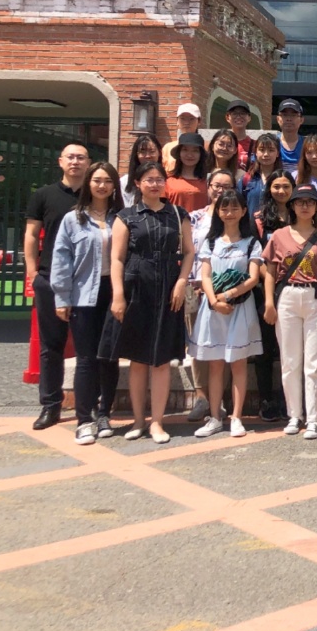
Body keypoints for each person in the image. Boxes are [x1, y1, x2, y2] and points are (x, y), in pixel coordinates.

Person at [100, 161, 194, 444]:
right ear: (138, 184)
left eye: (159, 179)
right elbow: (117, 258)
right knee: (138, 359)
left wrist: (181, 282)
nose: (154, 184)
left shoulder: (177, 214)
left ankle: (158, 422)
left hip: (168, 288)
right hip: (136, 288)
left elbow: (189, 252)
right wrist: (118, 294)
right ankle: (139, 420)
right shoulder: (126, 216)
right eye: (149, 180)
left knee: (162, 360)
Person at [50, 161, 123, 444]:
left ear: (114, 186)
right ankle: (84, 419)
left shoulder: (122, 218)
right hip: (83, 295)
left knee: (109, 357)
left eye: (107, 181)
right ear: (88, 184)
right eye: (97, 180)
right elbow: (61, 259)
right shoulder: (73, 219)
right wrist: (62, 297)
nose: (102, 186)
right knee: (86, 358)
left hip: (114, 293)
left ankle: (104, 413)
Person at [262, 184, 317, 441]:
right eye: (299, 201)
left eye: (310, 202)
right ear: (292, 206)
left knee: (315, 360)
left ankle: (315, 417)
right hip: (287, 297)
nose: (304, 206)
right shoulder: (279, 235)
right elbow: (270, 272)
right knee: (290, 360)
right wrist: (269, 303)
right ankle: (294, 415)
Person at [25, 141, 89, 430]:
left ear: (88, 163)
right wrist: (32, 273)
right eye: (70, 157)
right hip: (50, 279)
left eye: (81, 158)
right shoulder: (44, 195)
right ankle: (50, 406)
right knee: (51, 346)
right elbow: (31, 234)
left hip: (88, 281)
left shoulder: (96, 195)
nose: (75, 162)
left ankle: (89, 405)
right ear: (60, 161)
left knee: (88, 346)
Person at [190, 190, 264, 439]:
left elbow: (253, 278)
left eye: (234, 208)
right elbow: (205, 275)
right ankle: (215, 417)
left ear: (244, 211)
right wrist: (214, 301)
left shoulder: (251, 243)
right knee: (215, 365)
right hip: (213, 310)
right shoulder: (210, 242)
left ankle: (236, 418)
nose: (229, 213)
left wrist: (228, 295)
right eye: (224, 208)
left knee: (239, 363)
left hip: (239, 308)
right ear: (218, 212)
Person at [251, 169, 295, 422]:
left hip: (295, 288)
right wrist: (269, 278)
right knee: (266, 348)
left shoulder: (301, 215)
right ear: (269, 189)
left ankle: (289, 398)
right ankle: (266, 399)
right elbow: (255, 255)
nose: (281, 191)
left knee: (290, 348)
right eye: (276, 186)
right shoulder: (259, 219)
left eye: (286, 186)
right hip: (264, 289)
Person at [164, 132, 209, 213]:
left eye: (195, 151)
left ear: (201, 154)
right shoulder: (167, 180)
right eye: (185, 150)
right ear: (179, 153)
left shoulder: (208, 181)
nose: (189, 155)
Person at [241, 133, 282, 219]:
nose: (266, 154)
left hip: (277, 226)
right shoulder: (246, 179)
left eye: (271, 150)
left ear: (277, 153)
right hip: (250, 226)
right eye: (262, 150)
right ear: (256, 152)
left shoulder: (283, 179)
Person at [162, 102, 202, 175]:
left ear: (199, 121)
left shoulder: (204, 147)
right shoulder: (168, 148)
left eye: (191, 119)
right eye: (182, 119)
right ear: (177, 121)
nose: (186, 123)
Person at [120, 133, 162, 202]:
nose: (147, 156)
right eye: (143, 152)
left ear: (159, 153)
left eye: (152, 151)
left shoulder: (167, 180)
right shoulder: (124, 182)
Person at [224, 98, 255, 170]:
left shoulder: (255, 145)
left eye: (243, 113)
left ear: (249, 117)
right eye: (234, 113)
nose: (238, 116)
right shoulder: (221, 144)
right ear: (227, 117)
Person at [276, 98, 305, 174]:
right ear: (278, 119)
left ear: (301, 120)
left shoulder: (307, 145)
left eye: (293, 115)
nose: (289, 119)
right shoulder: (271, 143)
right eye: (285, 115)